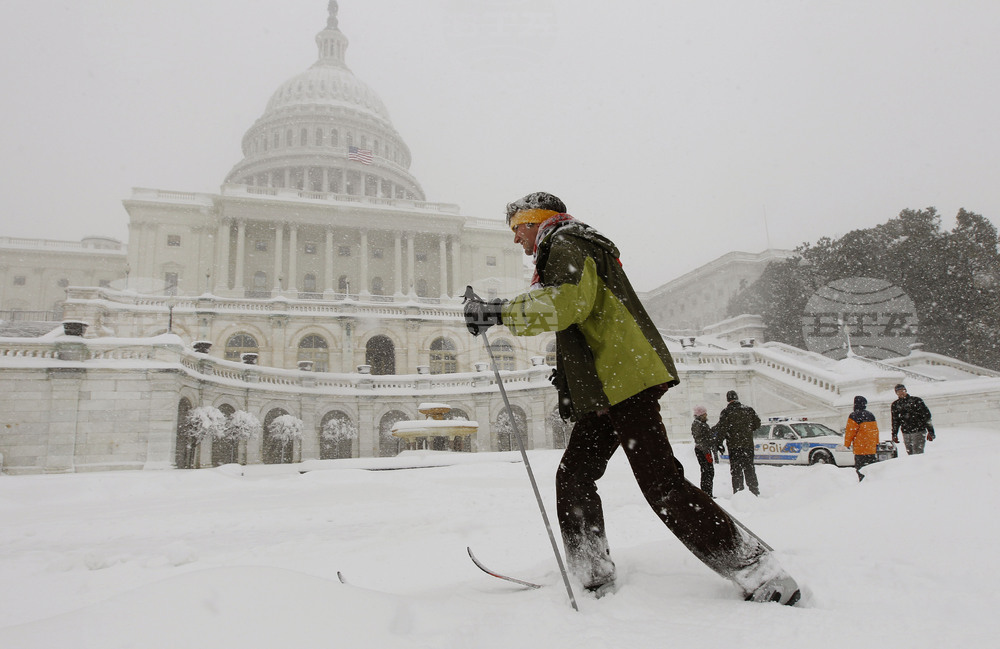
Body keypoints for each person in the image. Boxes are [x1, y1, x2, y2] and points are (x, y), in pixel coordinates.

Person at [463, 191, 800, 605]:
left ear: (537, 221)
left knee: (661, 485)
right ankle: (591, 574)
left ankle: (758, 571)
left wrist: (498, 312)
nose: (516, 239)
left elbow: (567, 305)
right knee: (574, 475)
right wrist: (571, 383)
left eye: (517, 228)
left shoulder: (564, 243)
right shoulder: (571, 245)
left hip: (623, 382)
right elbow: (588, 322)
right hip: (610, 385)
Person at [713, 391, 762, 496]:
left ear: (728, 399)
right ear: (737, 398)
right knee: (749, 468)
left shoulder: (726, 412)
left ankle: (739, 492)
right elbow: (757, 424)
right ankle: (754, 490)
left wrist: (719, 442)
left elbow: (722, 429)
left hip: (734, 446)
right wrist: (747, 430)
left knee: (736, 470)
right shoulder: (748, 410)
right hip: (747, 444)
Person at [890, 384, 935, 455]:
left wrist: (931, 431)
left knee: (917, 453)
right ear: (896, 393)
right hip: (906, 432)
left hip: (919, 430)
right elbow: (895, 421)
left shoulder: (916, 401)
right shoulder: (895, 405)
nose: (901, 393)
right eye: (899, 391)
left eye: (902, 390)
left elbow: (926, 417)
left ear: (906, 391)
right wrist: (894, 434)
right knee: (910, 453)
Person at [844, 395, 880, 481]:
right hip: (871, 448)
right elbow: (876, 431)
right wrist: (876, 443)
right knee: (871, 469)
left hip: (861, 448)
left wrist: (847, 444)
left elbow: (850, 432)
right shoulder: (871, 415)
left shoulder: (854, 416)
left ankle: (863, 485)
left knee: (861, 469)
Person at [690, 406, 717, 497]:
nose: (706, 415)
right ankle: (707, 493)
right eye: (705, 414)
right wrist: (707, 451)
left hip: (702, 450)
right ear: (701, 415)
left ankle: (707, 493)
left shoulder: (699, 424)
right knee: (707, 472)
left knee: (707, 471)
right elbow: (702, 439)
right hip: (703, 451)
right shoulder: (699, 424)